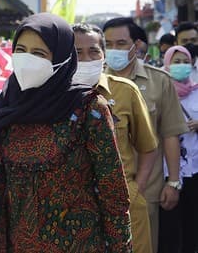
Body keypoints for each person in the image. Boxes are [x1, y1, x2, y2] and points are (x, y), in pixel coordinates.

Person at [0, 13, 132, 252]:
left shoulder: (88, 109)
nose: (26, 60)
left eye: (39, 53)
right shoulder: (2, 111)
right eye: (20, 50)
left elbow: (112, 194)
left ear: (62, 58)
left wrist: (121, 248)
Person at [103, 17, 189, 252]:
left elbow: (170, 134)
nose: (114, 50)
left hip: (146, 189)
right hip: (103, 190)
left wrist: (173, 182)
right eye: (108, 44)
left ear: (136, 45)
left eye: (121, 43)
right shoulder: (96, 82)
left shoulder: (159, 81)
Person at [73, 23, 158, 253]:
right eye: (77, 52)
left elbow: (148, 147)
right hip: (74, 210)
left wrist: (135, 190)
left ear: (103, 55)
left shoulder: (126, 91)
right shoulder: (55, 97)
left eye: (93, 51)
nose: (86, 58)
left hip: (126, 206)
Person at [160, 45, 198, 253]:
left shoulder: (197, 91)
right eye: (176, 62)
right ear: (167, 64)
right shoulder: (161, 92)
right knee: (171, 227)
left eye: (185, 61)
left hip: (195, 169)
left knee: (192, 223)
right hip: (167, 171)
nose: (181, 66)